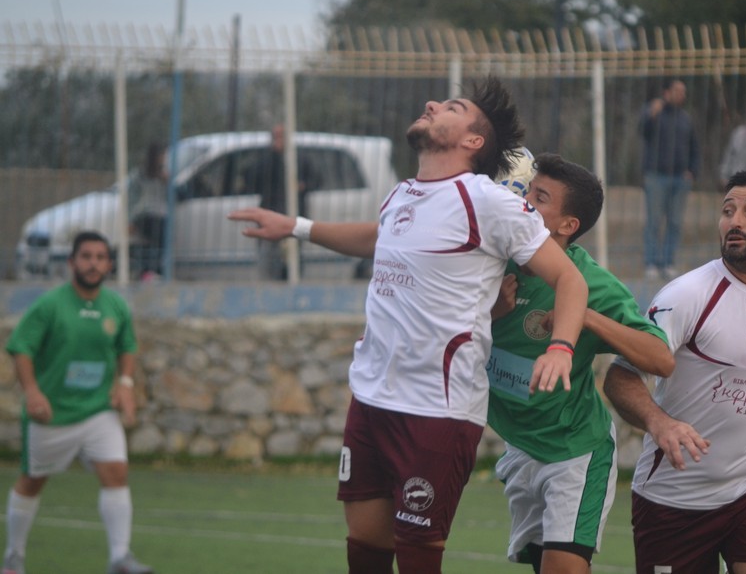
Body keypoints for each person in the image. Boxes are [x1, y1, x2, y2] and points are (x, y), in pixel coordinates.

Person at [227, 76, 589, 574]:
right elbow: (377, 237)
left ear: (473, 141)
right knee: (365, 546)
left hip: (437, 410)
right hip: (371, 398)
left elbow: (570, 279)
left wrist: (561, 348)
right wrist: (296, 227)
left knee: (418, 555)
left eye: (451, 107)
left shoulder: (489, 201)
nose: (432, 104)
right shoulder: (403, 193)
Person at [604, 171, 746, 574]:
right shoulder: (687, 295)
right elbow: (620, 376)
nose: (735, 221)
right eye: (728, 211)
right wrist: (659, 423)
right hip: (674, 499)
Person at [488, 153, 674, 574]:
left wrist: (585, 317)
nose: (523, 203)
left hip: (575, 451)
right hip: (520, 445)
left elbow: (660, 358)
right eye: (526, 191)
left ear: (567, 225)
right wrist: (488, 313)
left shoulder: (589, 283)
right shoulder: (493, 260)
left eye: (539, 198)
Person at [3, 231, 153, 574]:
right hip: (53, 413)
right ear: (72, 262)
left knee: (116, 471)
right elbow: (21, 348)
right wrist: (32, 392)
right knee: (32, 480)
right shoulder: (49, 305)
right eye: (86, 257)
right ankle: (13, 558)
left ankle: (120, 558)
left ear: (110, 265)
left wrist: (125, 384)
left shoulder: (116, 306)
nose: (93, 264)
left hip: (98, 409)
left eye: (100, 258)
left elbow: (127, 346)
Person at [639, 78, 700, 281]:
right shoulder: (654, 113)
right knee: (654, 221)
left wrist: (692, 171)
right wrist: (651, 114)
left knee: (674, 222)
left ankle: (668, 262)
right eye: (677, 90)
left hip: (680, 178)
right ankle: (651, 263)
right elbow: (643, 132)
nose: (682, 95)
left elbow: (694, 146)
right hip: (656, 176)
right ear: (666, 93)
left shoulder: (685, 119)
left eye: (683, 91)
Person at [243, 124, 320, 280]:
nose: (279, 140)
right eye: (275, 137)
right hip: (271, 212)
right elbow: (251, 177)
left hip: (294, 215)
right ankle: (270, 281)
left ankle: (293, 279)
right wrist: (273, 154)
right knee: (269, 254)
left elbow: (317, 179)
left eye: (282, 136)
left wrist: (303, 185)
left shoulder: (300, 158)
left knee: (293, 254)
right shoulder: (266, 158)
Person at [127, 142, 167, 280]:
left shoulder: (165, 174)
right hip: (145, 215)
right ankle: (149, 271)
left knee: (159, 244)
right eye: (162, 154)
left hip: (161, 215)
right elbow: (131, 198)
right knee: (156, 242)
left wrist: (168, 182)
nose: (164, 158)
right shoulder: (140, 174)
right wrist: (130, 220)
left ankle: (151, 271)